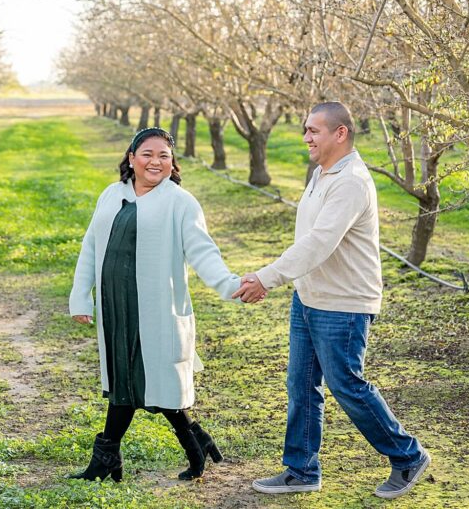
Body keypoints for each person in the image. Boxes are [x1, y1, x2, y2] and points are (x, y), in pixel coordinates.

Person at [234, 101, 430, 500]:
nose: (306, 137)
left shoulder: (351, 181)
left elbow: (321, 242)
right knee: (301, 384)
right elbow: (308, 240)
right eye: (305, 129)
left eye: (314, 131)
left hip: (344, 303)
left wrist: (267, 278)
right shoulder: (322, 172)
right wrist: (290, 282)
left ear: (340, 133)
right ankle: (301, 470)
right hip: (309, 297)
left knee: (347, 385)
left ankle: (408, 455)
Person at [68, 127, 247, 483]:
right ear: (131, 158)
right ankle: (189, 442)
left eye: (164, 156)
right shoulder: (110, 194)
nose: (155, 162)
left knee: (154, 382)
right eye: (147, 154)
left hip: (156, 310)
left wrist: (231, 285)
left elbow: (202, 251)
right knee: (124, 381)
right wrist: (79, 295)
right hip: (115, 309)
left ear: (172, 163)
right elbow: (90, 246)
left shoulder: (180, 202)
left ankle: (115, 458)